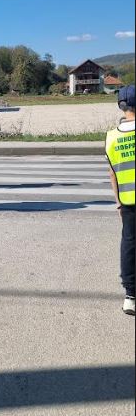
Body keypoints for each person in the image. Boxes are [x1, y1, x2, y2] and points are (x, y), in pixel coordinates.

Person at [105, 85, 135, 316]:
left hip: (127, 201)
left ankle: (131, 297)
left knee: (129, 245)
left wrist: (117, 203)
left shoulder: (112, 137)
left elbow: (113, 174)